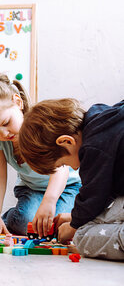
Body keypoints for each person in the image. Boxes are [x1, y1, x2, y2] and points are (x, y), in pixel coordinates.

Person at [0, 73, 81, 237]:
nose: (3, 134)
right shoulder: (1, 139)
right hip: (31, 189)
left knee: (56, 226)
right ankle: (11, 217)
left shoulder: (41, 127)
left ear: (18, 102)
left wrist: (49, 200)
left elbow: (61, 169)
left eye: (5, 123)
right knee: (29, 224)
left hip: (67, 187)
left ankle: (27, 213)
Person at [19, 98, 124, 260]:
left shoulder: (93, 147)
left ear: (66, 141)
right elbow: (105, 192)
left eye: (63, 163)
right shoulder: (101, 116)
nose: (74, 168)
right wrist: (74, 217)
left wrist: (73, 226)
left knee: (82, 237)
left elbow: (93, 197)